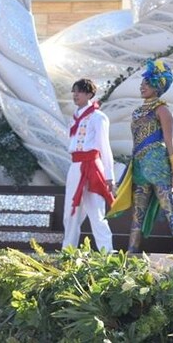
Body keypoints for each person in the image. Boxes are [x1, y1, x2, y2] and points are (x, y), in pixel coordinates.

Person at [127, 60, 173, 252]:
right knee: (137, 214)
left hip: (159, 166)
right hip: (140, 167)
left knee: (170, 210)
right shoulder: (136, 112)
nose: (142, 86)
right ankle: (131, 254)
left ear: (158, 86)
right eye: (142, 83)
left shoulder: (163, 110)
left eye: (147, 83)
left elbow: (170, 142)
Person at [62, 78, 115, 251]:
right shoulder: (74, 118)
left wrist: (109, 177)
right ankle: (68, 252)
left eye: (79, 91)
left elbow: (105, 147)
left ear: (89, 94)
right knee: (70, 212)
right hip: (75, 166)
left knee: (96, 212)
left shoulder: (98, 117)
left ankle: (106, 254)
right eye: (74, 91)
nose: (75, 95)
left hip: (92, 166)